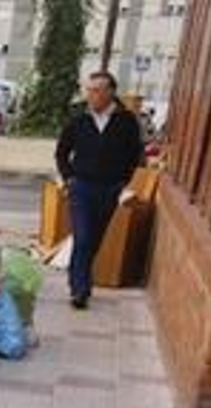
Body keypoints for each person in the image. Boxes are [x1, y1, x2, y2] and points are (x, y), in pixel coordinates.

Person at [54, 71, 144, 310]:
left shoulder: (126, 121)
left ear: (110, 93)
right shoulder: (78, 119)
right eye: (89, 90)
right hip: (81, 187)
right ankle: (79, 289)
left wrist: (125, 183)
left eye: (96, 90)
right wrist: (69, 179)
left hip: (111, 188)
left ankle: (80, 279)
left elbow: (136, 155)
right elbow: (62, 153)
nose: (91, 95)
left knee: (93, 240)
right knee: (82, 237)